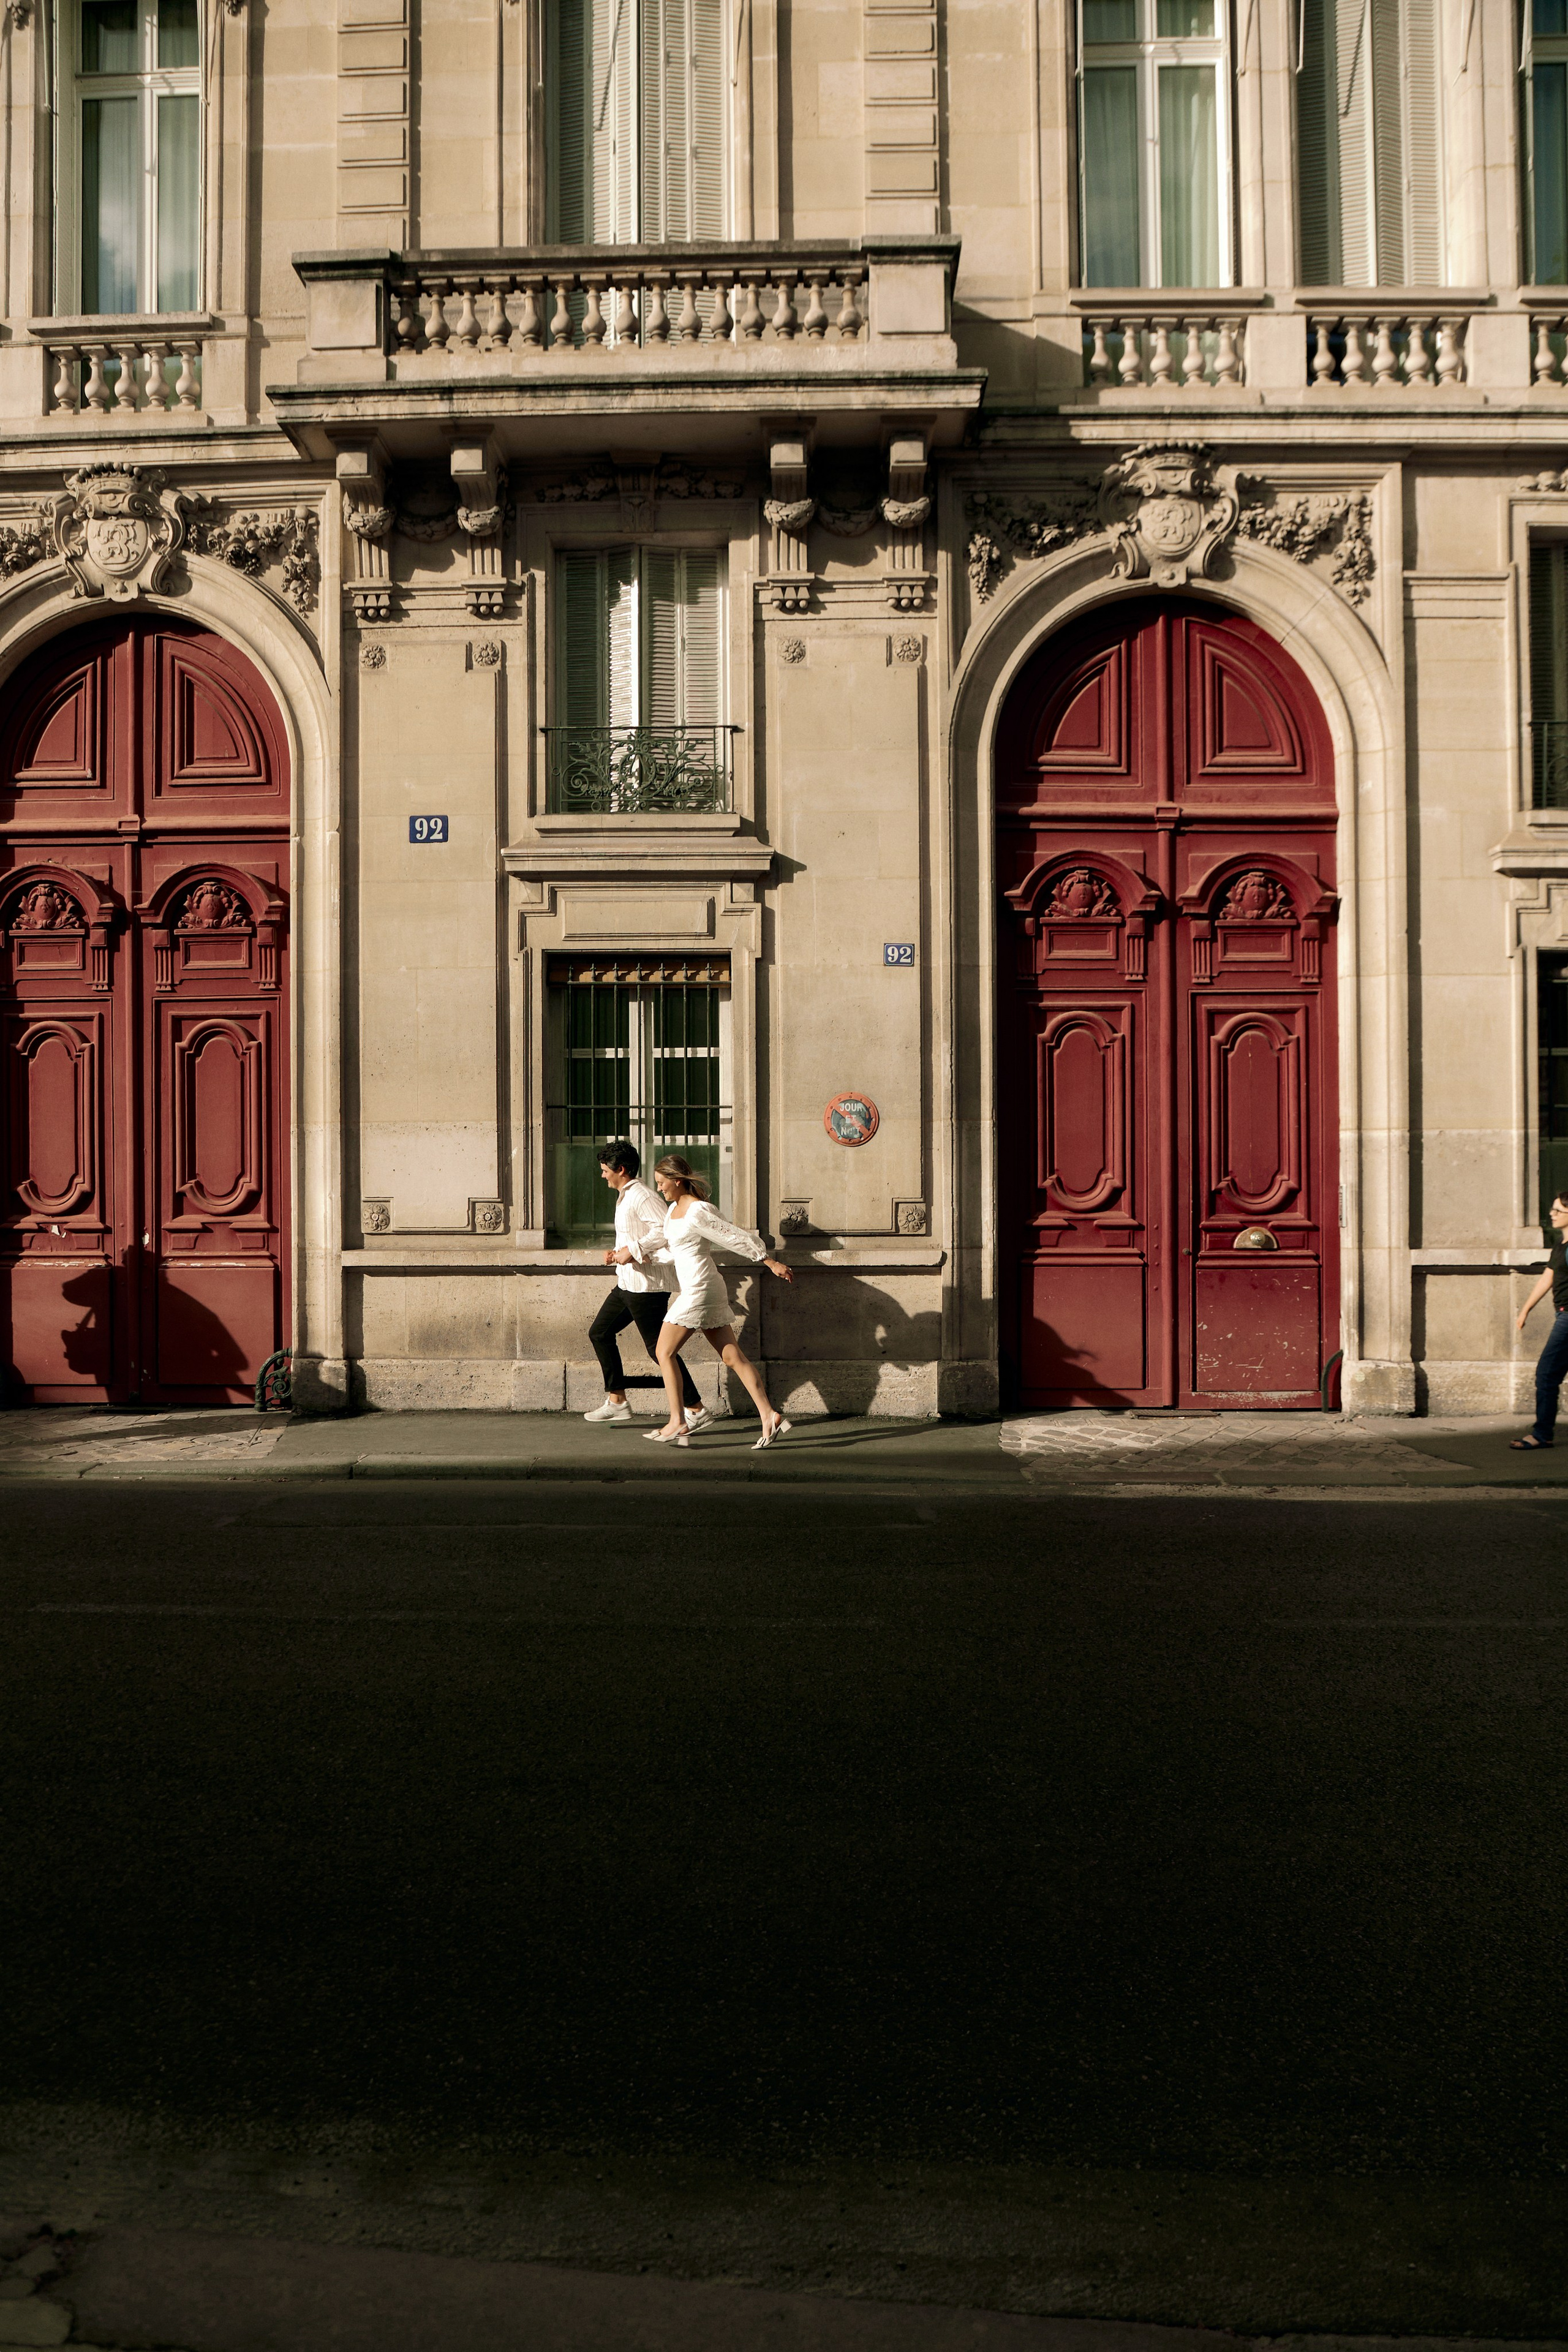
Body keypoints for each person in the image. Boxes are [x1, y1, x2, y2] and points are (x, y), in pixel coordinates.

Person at [645, 1155, 795, 1451]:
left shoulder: (698, 1210)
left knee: (664, 1350)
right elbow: (676, 1251)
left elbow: (733, 1237)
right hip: (698, 1287)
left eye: (662, 1183)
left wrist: (768, 1261)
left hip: (700, 1288)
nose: (660, 1189)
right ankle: (769, 1415)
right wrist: (640, 1256)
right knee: (732, 1357)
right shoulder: (672, 1210)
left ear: (677, 1181)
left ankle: (678, 1420)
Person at [583, 1142, 708, 1431]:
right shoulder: (626, 1197)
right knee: (600, 1333)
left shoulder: (642, 1195)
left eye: (605, 1171)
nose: (602, 1176)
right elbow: (636, 1235)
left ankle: (696, 1409)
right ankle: (617, 1401)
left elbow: (663, 1230)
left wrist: (633, 1249)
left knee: (659, 1350)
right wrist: (618, 1253)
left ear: (621, 1170)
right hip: (628, 1283)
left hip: (648, 1287)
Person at [1512, 1189, 1568, 1450]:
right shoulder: (1561, 1244)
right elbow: (1548, 1277)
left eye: (1558, 1211)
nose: (1552, 1214)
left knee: (1546, 1375)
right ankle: (1543, 1432)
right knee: (1549, 1375)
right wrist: (1525, 1310)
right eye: (1553, 1209)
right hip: (1563, 1315)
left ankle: (1542, 1434)